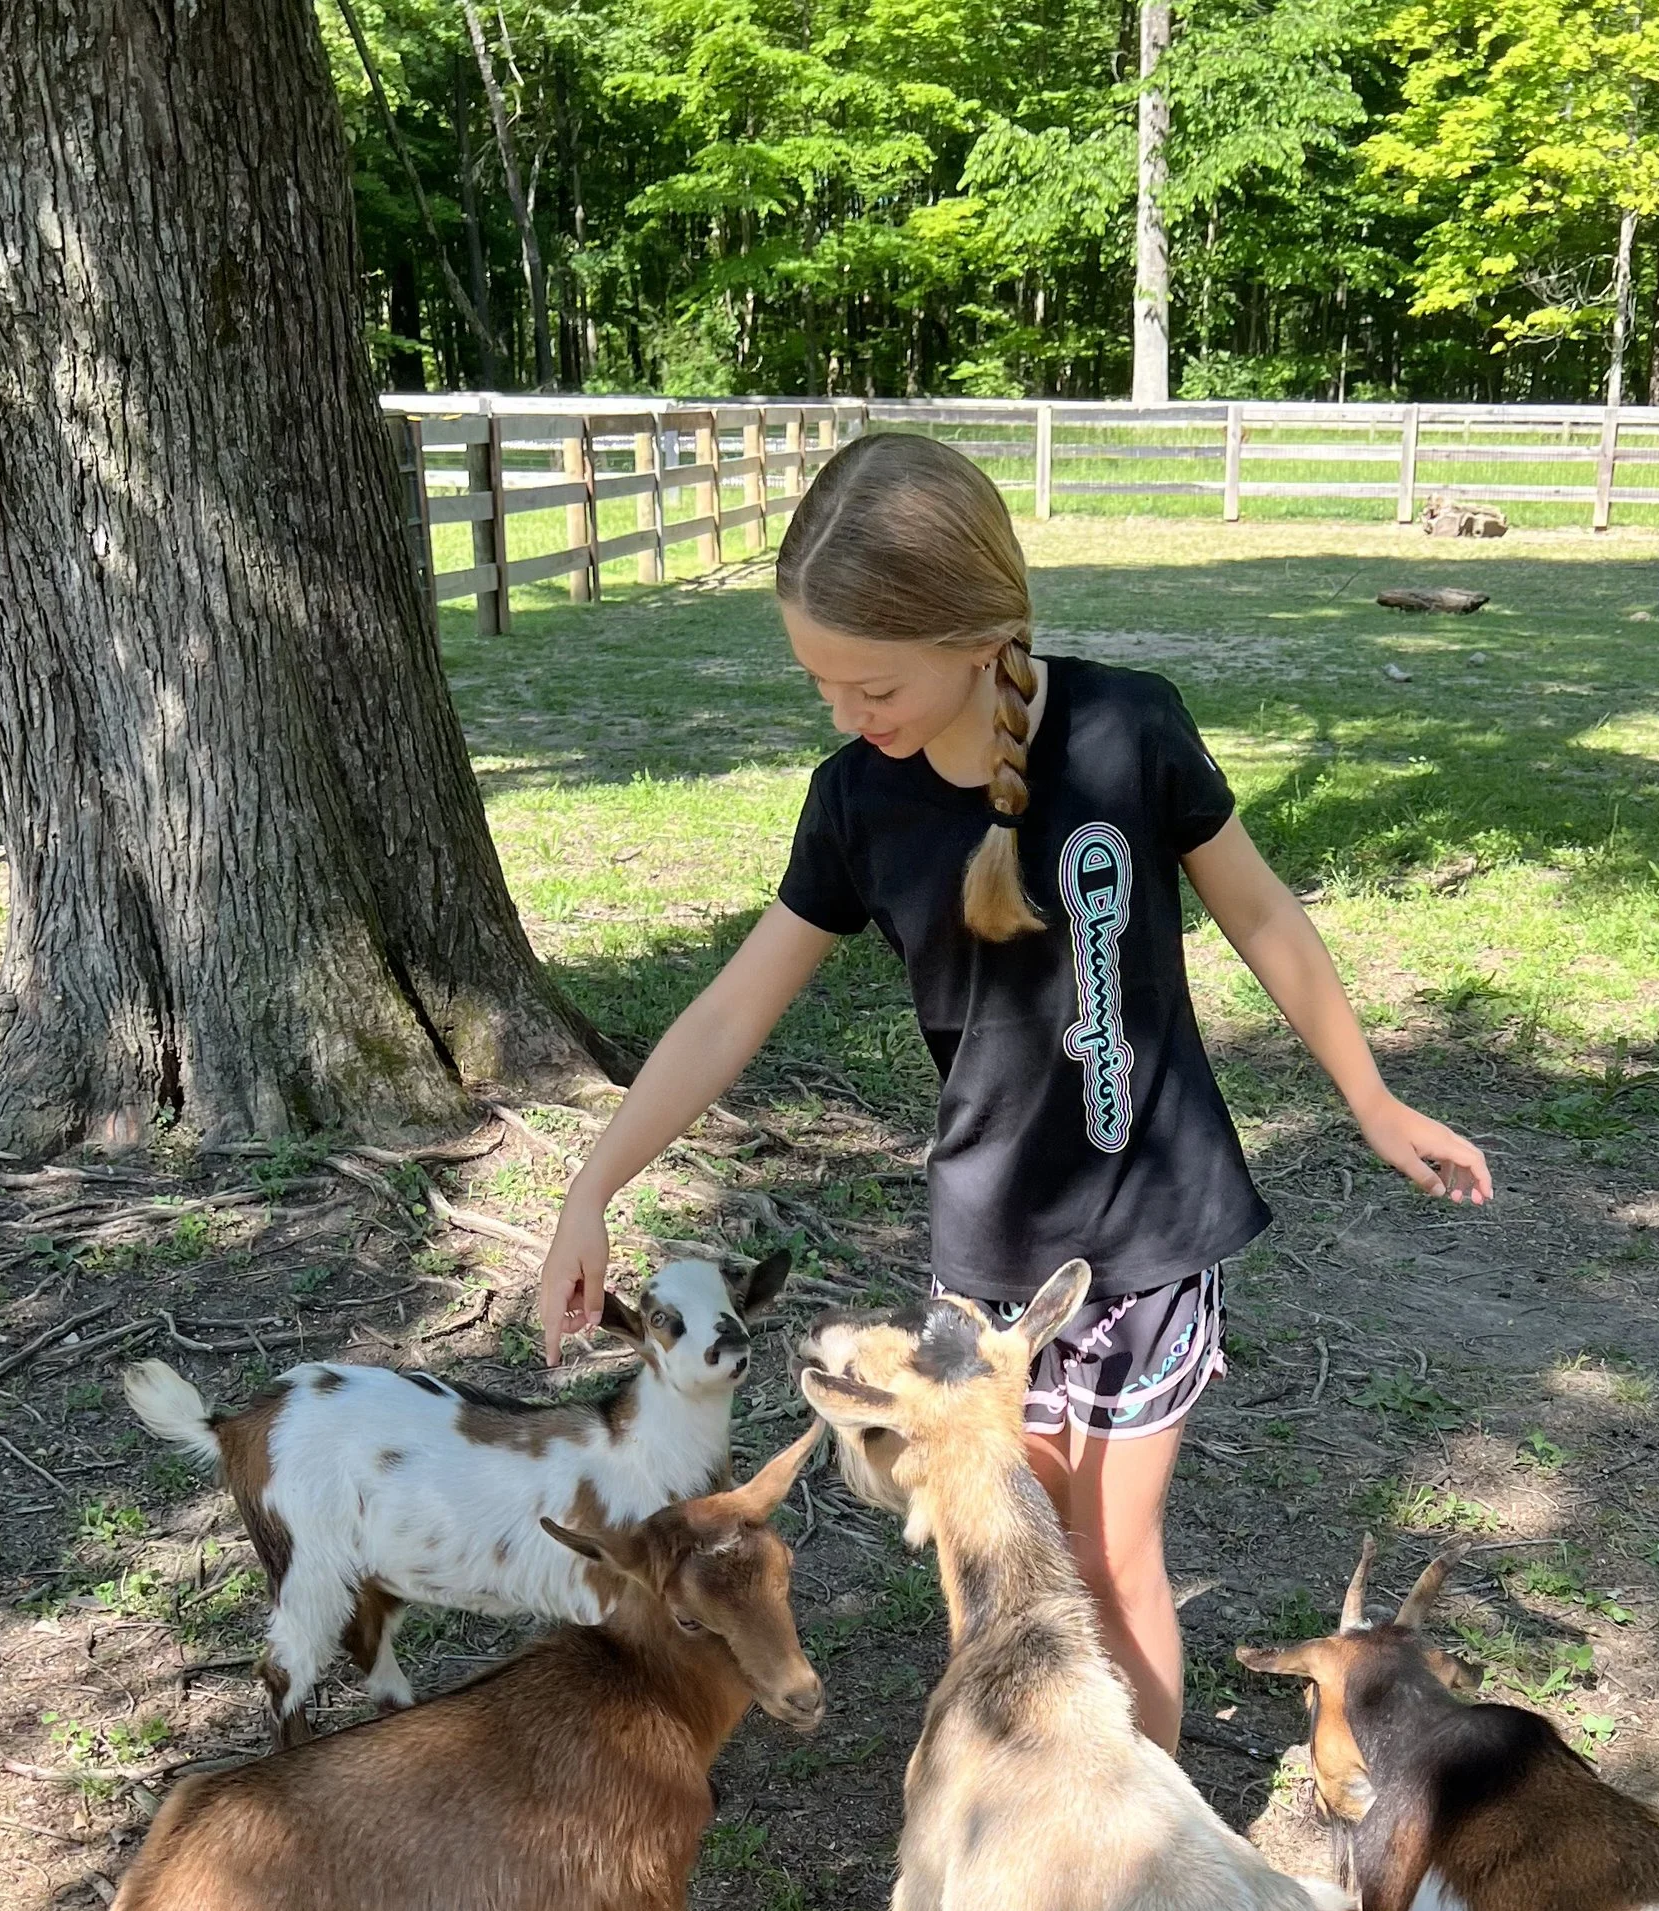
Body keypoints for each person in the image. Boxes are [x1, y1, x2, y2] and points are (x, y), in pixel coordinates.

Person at [537, 431, 1491, 1750]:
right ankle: (1019, 1835)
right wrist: (593, 1186)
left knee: (1107, 1565)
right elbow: (724, 1018)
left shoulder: (1127, 729)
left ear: (980, 634)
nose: (841, 712)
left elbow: (1265, 914)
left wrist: (1373, 1101)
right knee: (998, 1576)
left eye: (867, 682)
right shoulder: (854, 802)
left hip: (1152, 1240)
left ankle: (1143, 1867)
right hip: (985, 1261)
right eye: (819, 681)